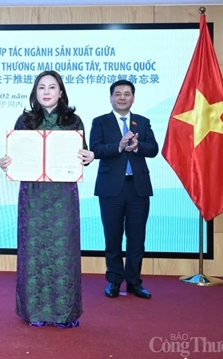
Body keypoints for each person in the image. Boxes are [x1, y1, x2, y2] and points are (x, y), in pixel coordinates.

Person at [0, 70, 94, 329]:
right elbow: (15, 157)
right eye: (41, 87)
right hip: (33, 196)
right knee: (34, 251)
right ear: (35, 92)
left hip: (63, 196)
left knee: (64, 252)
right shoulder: (24, 121)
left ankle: (64, 313)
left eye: (52, 87)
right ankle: (35, 311)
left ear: (61, 92)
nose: (47, 91)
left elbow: (82, 155)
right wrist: (5, 163)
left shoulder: (73, 120)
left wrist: (89, 157)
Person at [89, 79, 159, 299]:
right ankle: (114, 281)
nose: (122, 97)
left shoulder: (142, 122)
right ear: (111, 98)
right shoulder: (100, 122)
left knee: (137, 238)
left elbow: (154, 149)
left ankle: (134, 282)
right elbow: (95, 149)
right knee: (113, 237)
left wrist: (137, 146)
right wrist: (118, 146)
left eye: (127, 94)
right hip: (111, 189)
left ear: (133, 98)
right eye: (117, 94)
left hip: (138, 188)